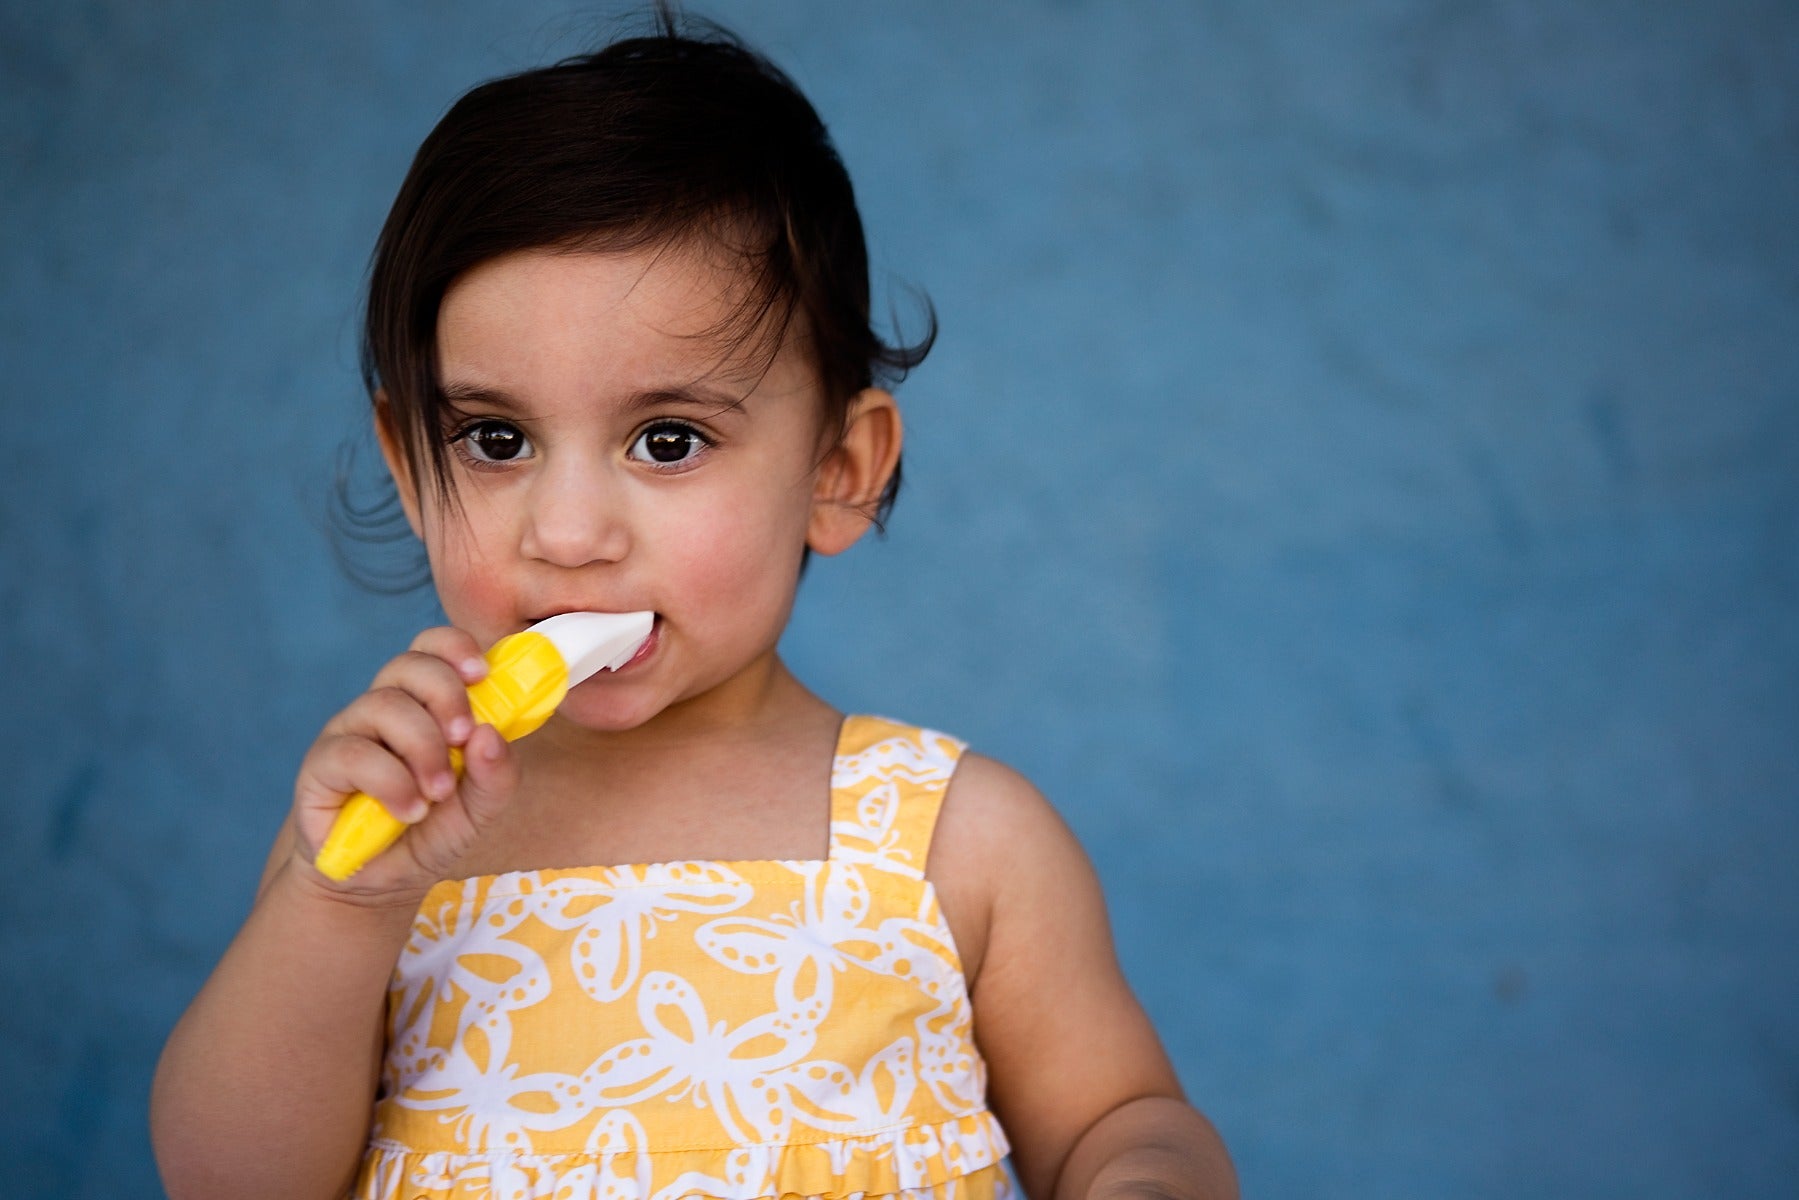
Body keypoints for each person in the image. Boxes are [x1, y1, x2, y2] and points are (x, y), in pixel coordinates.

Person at [149, 11, 1237, 1200]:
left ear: (838, 472)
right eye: (495, 440)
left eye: (667, 441)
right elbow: (229, 1182)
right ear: (411, 468)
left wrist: (1139, 1176)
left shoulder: (955, 841)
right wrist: (339, 905)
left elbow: (1118, 1119)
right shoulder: (378, 840)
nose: (566, 534)